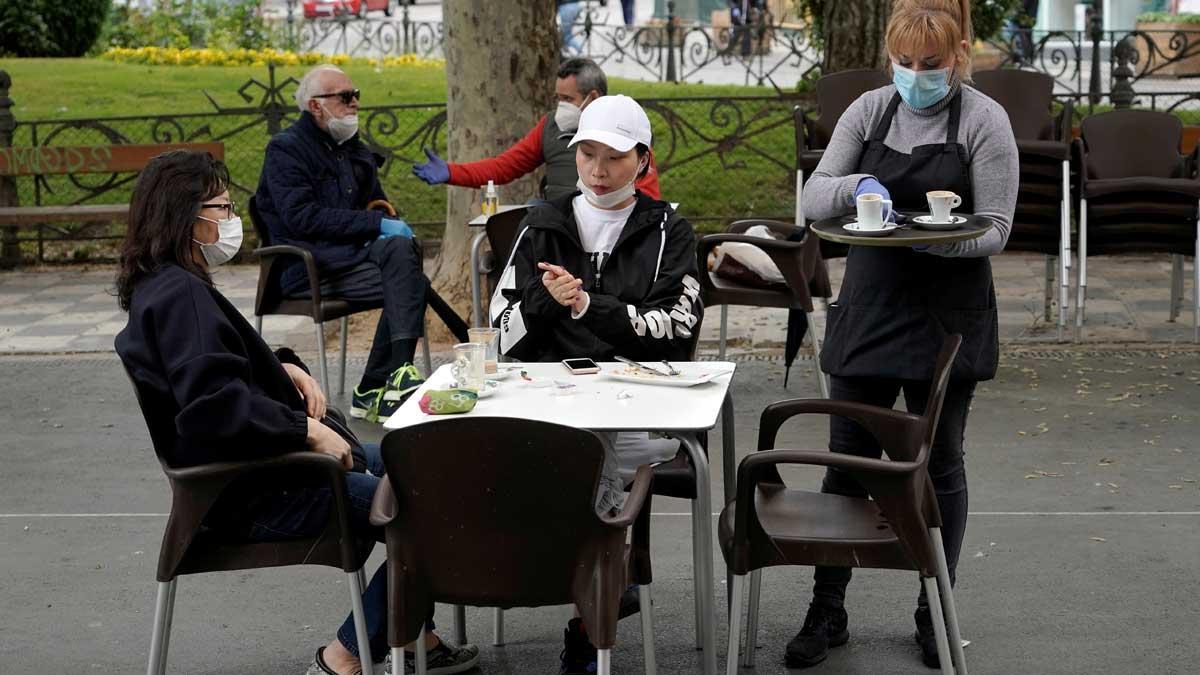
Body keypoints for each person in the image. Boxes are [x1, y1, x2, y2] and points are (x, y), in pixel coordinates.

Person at [114, 150, 480, 675]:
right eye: (220, 207)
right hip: (260, 487)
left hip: (262, 472)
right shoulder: (179, 295)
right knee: (435, 509)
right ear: (184, 216)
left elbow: (216, 369)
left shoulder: (166, 285)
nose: (230, 218)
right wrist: (305, 431)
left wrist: (284, 367)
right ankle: (346, 656)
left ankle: (412, 633)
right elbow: (211, 411)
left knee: (428, 467)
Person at [794, 0, 1017, 669]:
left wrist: (923, 239)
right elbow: (813, 197)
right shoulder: (869, 111)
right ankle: (827, 607)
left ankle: (934, 609)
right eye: (904, 62)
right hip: (870, 306)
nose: (915, 75)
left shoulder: (984, 120)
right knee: (847, 462)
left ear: (958, 58)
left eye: (930, 64)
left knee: (939, 461)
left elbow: (997, 228)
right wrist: (856, 184)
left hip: (949, 311)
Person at [487, 94, 702, 675]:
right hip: (549, 403)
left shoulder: (671, 232)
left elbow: (674, 333)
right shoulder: (541, 224)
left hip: (638, 411)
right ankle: (606, 588)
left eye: (614, 157)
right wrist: (547, 302)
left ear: (644, 161)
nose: (599, 170)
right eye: (587, 154)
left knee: (592, 449)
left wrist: (585, 307)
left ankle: (589, 622)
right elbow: (501, 329)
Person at [255, 64, 457, 424]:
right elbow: (302, 218)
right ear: (316, 106)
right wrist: (377, 223)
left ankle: (385, 382)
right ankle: (385, 381)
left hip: (352, 260)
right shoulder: (285, 150)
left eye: (356, 96)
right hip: (307, 268)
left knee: (402, 259)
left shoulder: (352, 149)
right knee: (409, 279)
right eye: (346, 97)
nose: (355, 105)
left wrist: (387, 222)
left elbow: (376, 205)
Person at [411, 58, 661, 202]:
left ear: (592, 97)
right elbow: (504, 167)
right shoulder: (550, 126)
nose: (597, 170)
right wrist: (452, 172)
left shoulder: (627, 129)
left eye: (567, 98)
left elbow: (648, 196)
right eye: (586, 153)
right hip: (559, 225)